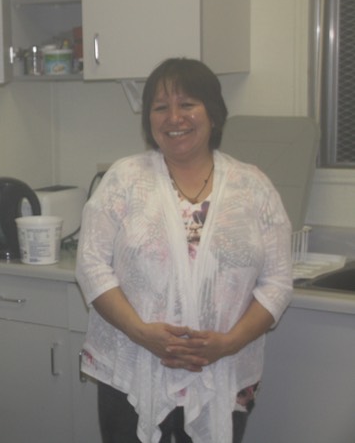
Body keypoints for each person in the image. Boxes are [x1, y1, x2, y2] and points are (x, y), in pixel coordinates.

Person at [75, 58, 293, 443]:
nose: (174, 117)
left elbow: (277, 282)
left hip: (223, 372)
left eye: (188, 103)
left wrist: (229, 343)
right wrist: (141, 332)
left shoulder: (254, 187)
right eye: (161, 107)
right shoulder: (124, 180)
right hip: (132, 368)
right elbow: (91, 266)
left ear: (214, 113)